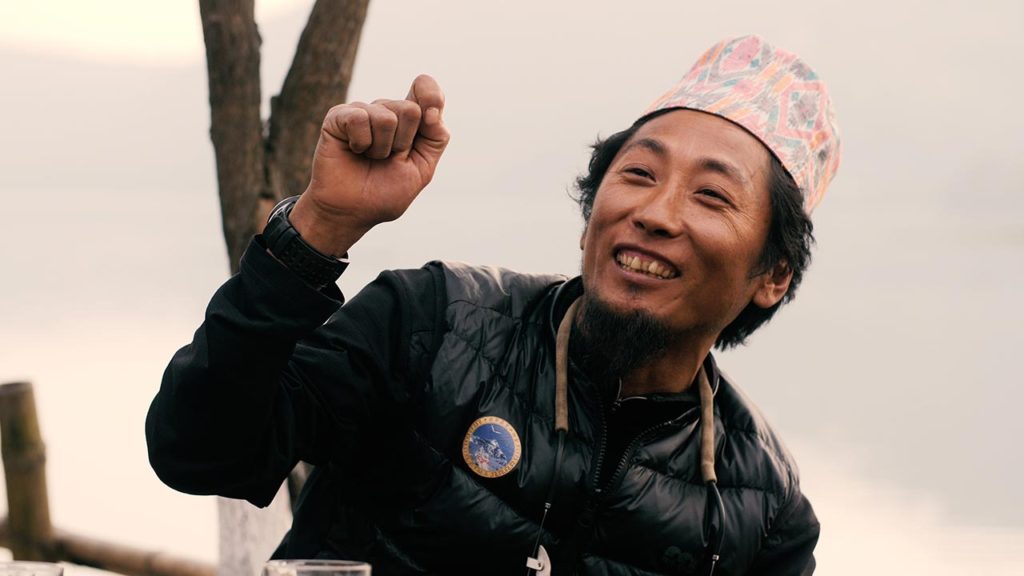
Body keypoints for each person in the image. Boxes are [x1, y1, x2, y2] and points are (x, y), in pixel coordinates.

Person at [146, 35, 840, 576]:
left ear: (772, 275)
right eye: (637, 174)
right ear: (590, 213)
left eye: (711, 195)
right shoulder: (435, 323)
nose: (655, 213)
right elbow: (198, 452)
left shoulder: (765, 508)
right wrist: (318, 229)